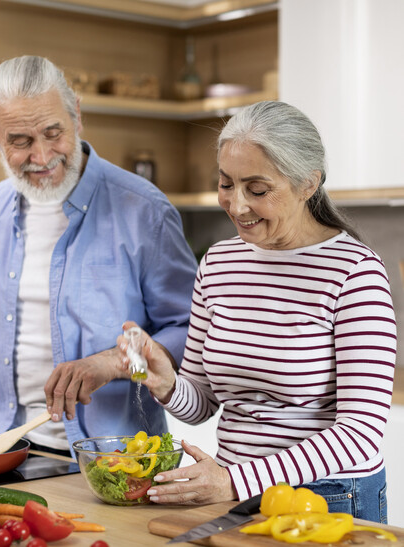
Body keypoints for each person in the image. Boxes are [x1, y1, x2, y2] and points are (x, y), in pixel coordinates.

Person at [117, 101, 396, 523]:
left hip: (328, 499)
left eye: (258, 189)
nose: (237, 205)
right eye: (226, 184)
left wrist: (235, 481)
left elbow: (360, 432)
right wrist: (167, 382)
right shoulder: (219, 263)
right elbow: (203, 403)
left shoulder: (355, 273)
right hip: (235, 495)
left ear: (308, 184)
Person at [0, 55, 198, 456]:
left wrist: (113, 363)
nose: (43, 156)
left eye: (53, 132)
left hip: (107, 458)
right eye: (20, 141)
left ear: (76, 116)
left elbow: (191, 329)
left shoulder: (143, 210)